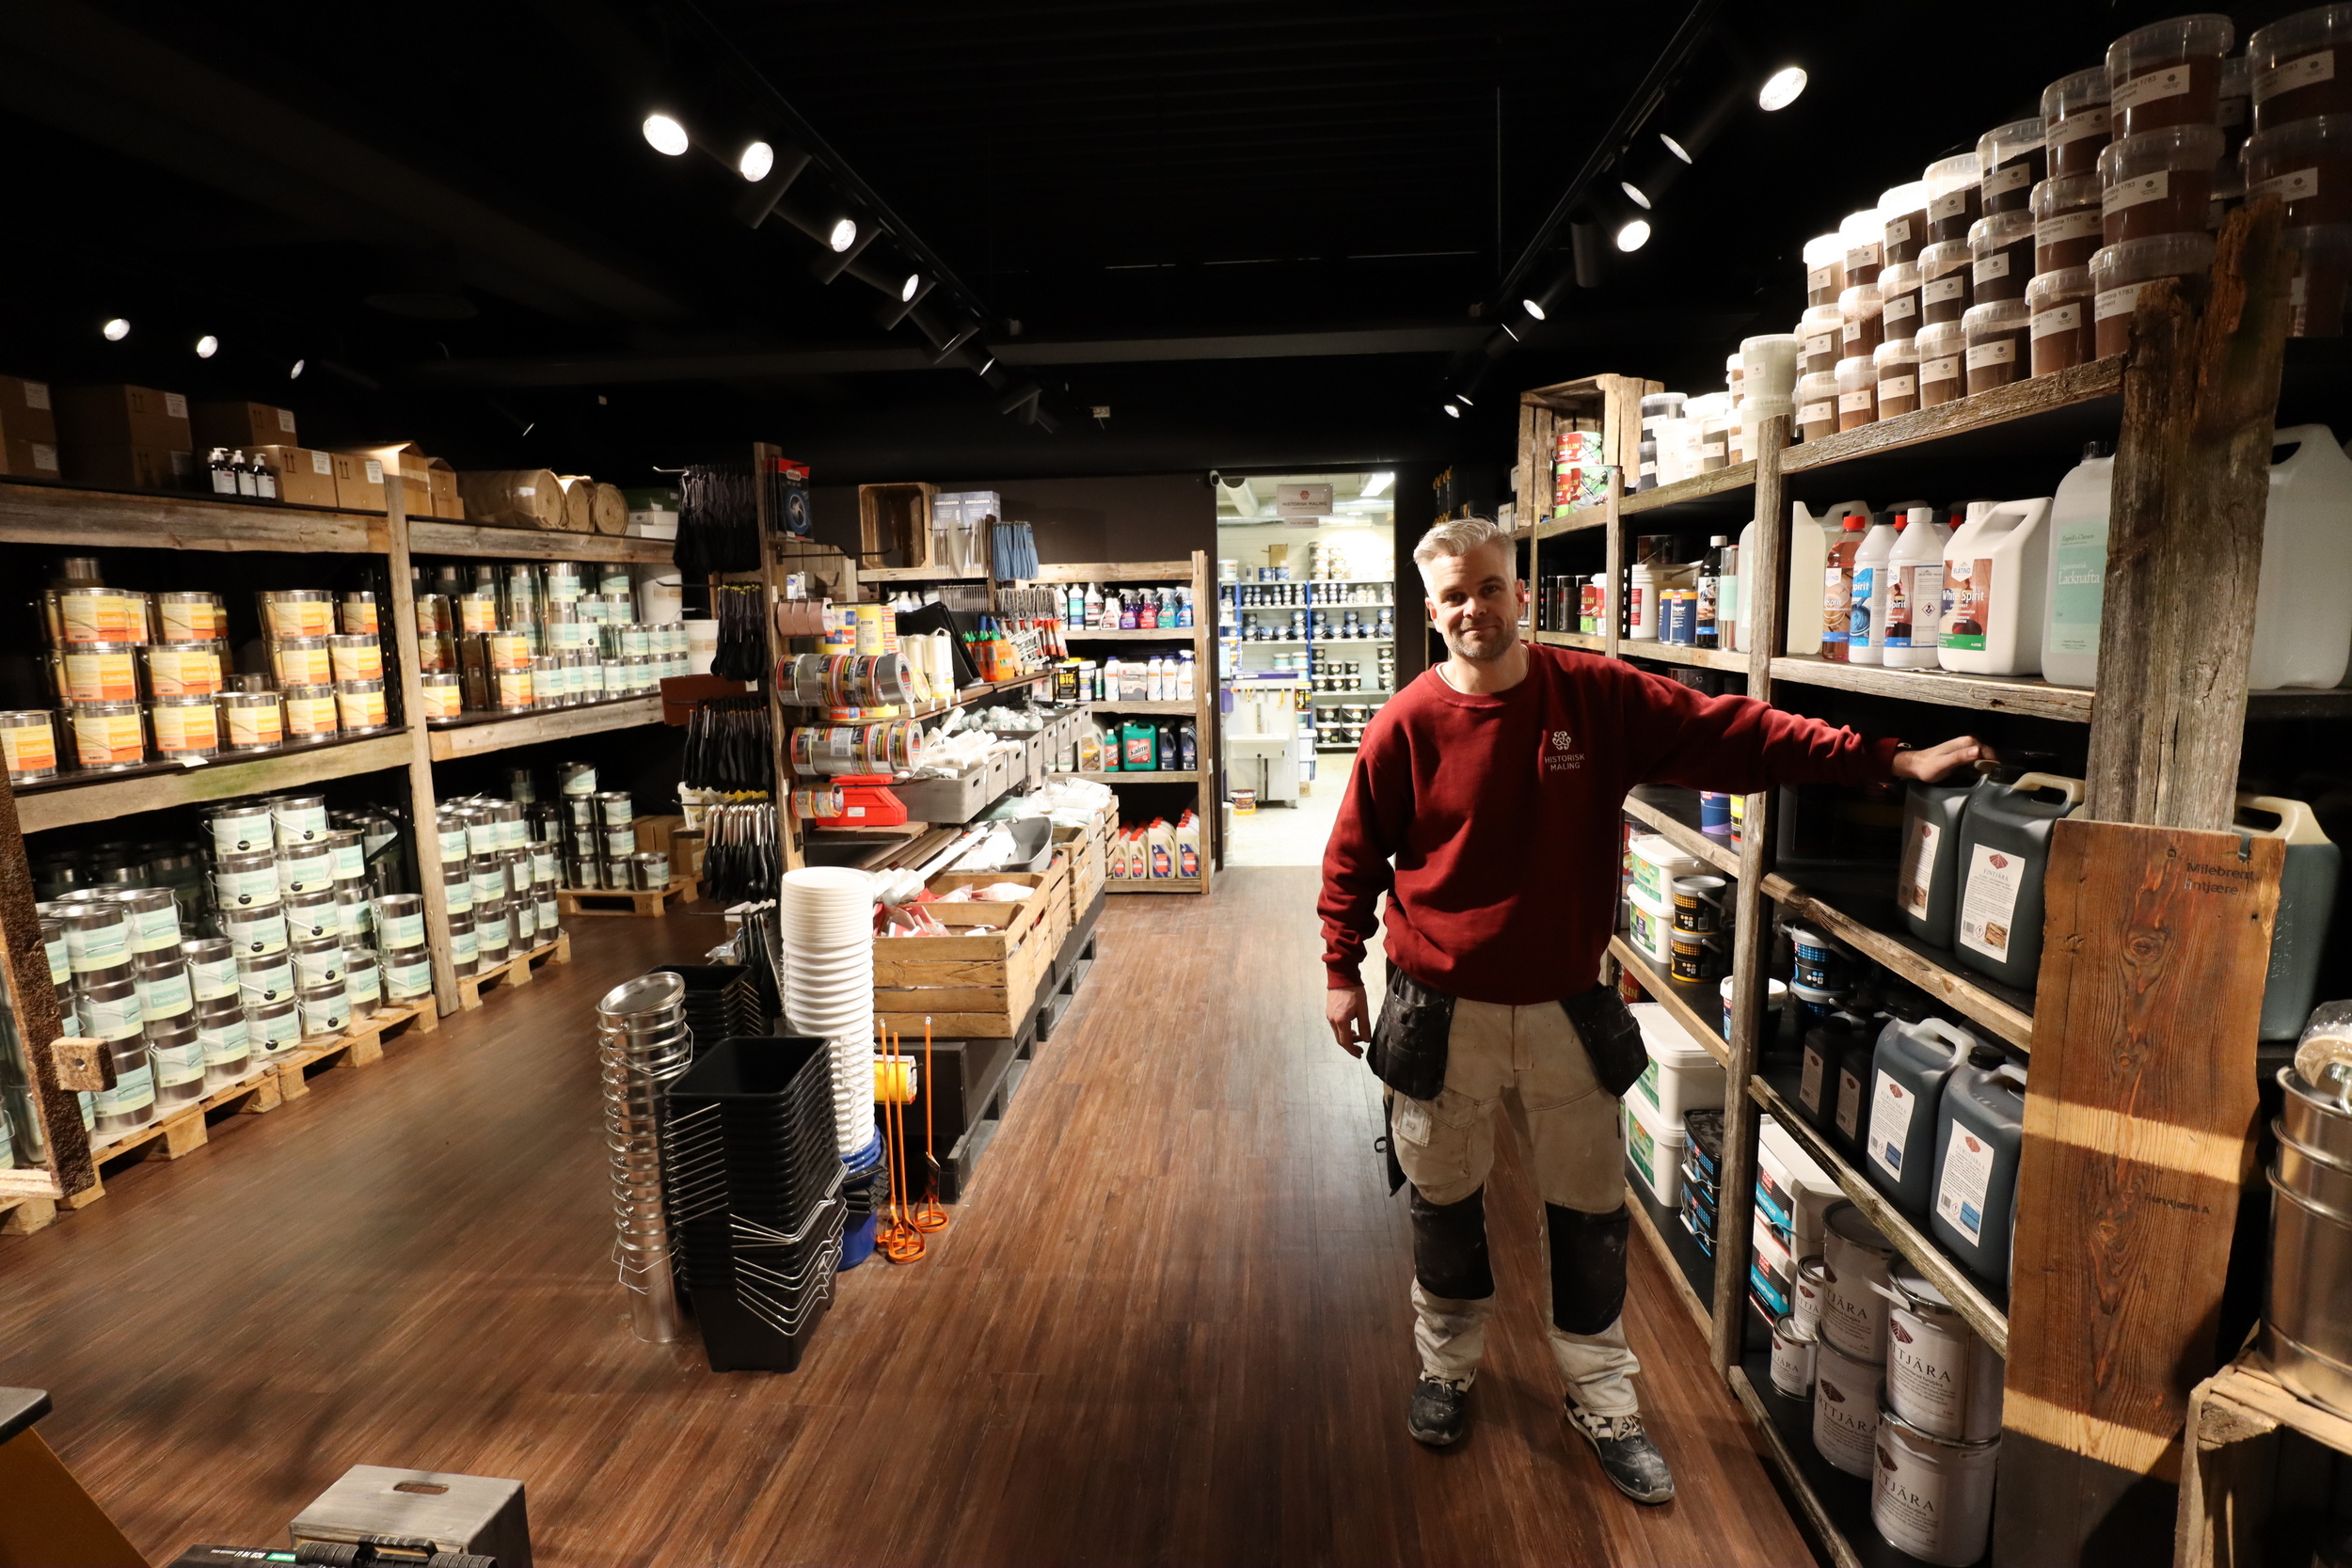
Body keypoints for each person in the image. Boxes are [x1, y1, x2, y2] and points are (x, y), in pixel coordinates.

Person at [1317, 516, 1983, 1503]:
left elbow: (1734, 733)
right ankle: (1446, 1367)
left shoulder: (1593, 696)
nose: (1474, 609)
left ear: (1518, 591)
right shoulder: (1405, 724)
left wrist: (1884, 759)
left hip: (1564, 1006)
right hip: (1441, 1009)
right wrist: (1340, 967)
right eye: (1454, 595)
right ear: (1431, 608)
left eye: (1490, 588)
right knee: (1442, 1203)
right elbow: (1352, 855)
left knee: (1590, 1212)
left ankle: (1602, 1396)